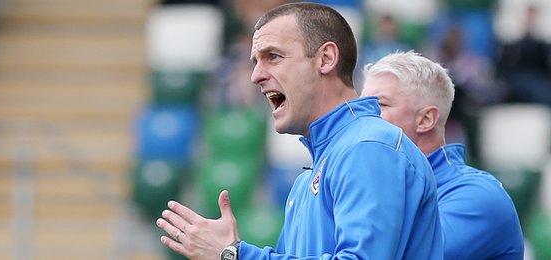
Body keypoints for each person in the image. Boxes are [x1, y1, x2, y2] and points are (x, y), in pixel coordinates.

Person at [156, 3, 443, 259]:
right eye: (255, 61)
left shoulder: (368, 147)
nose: (256, 75)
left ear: (326, 58)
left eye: (274, 57)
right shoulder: (308, 179)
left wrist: (235, 255)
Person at [361, 51, 524, 259]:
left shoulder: (478, 196)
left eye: (379, 105)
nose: (362, 117)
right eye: (361, 106)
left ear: (426, 119)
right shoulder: (373, 187)